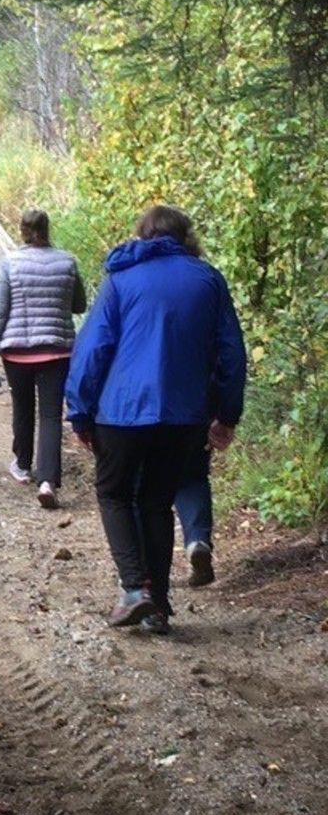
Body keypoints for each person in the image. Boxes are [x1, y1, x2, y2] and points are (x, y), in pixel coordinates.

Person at [65, 204, 246, 633]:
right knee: (156, 502)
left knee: (114, 495)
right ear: (186, 237)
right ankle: (159, 607)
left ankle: (135, 589)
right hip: (184, 415)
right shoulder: (208, 280)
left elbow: (93, 350)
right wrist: (226, 414)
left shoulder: (121, 281)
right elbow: (231, 353)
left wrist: (80, 412)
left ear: (143, 236)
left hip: (122, 412)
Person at [0, 209, 86, 508]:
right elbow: (78, 305)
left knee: (22, 406)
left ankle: (23, 464)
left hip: (17, 351)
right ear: (47, 229)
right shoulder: (67, 261)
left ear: (22, 231)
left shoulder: (10, 264)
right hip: (56, 349)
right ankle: (48, 481)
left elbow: (0, 312)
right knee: (51, 414)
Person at [175, 443, 216, 587]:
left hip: (136, 427)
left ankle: (143, 569)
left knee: (143, 491)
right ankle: (197, 541)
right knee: (191, 478)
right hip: (189, 424)